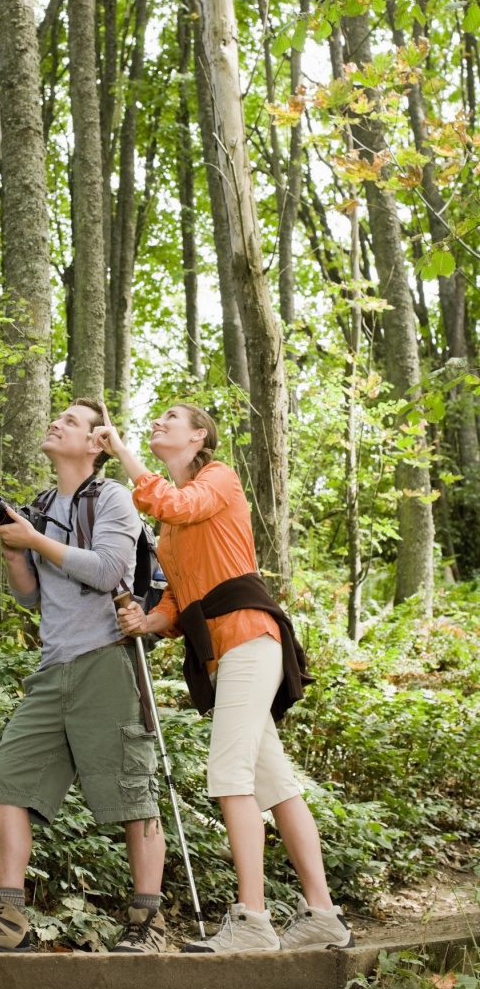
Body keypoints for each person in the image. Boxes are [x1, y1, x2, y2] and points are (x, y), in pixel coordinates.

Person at [93, 402, 355, 956]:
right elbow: (177, 602)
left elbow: (176, 502)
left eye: (171, 417)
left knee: (229, 773)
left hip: (250, 639)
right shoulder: (170, 523)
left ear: (198, 437)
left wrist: (121, 451)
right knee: (276, 784)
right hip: (223, 652)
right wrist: (149, 620)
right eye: (156, 418)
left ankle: (253, 919)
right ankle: (324, 916)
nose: (158, 422)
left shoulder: (217, 480)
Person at [0, 399, 166, 955]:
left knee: (131, 792)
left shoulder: (113, 497)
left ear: (96, 444)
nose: (56, 422)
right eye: (57, 416)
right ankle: (8, 919)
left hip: (108, 661)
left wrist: (36, 541)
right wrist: (13, 544)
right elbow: (30, 595)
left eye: (71, 420)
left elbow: (109, 570)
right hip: (52, 667)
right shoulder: (42, 505)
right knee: (5, 781)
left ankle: (148, 923)